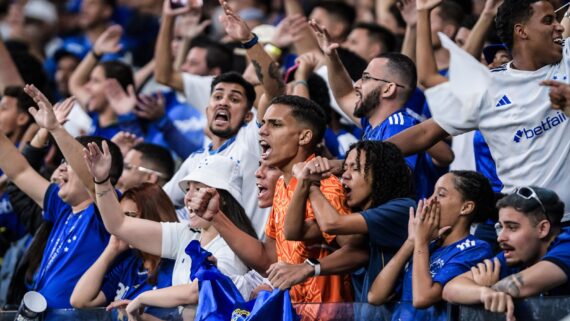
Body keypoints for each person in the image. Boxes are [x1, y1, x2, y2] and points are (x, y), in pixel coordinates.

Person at [387, 0, 570, 212]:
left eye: (557, 19)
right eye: (548, 20)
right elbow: (425, 132)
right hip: (521, 227)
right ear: (522, 31)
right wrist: (367, 155)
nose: (559, 26)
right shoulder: (486, 87)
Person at [191, 95, 368, 314]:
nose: (262, 131)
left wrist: (308, 269)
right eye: (263, 123)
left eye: (275, 124)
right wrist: (217, 216)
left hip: (328, 315)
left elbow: (357, 251)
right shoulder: (284, 186)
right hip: (291, 312)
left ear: (304, 136)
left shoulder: (325, 186)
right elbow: (270, 259)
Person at [83, 145, 257, 316]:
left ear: (224, 199)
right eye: (188, 189)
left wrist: (143, 298)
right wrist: (102, 181)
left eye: (198, 189)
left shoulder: (232, 248)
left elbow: (198, 291)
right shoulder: (186, 234)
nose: (188, 197)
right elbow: (118, 225)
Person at [283, 141, 415, 302]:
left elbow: (331, 224)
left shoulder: (402, 209)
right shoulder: (359, 215)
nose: (345, 175)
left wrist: (311, 184)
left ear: (381, 174)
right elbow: (293, 231)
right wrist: (303, 183)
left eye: (356, 168)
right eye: (345, 168)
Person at [368, 171, 495, 321]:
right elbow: (375, 297)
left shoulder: (475, 248)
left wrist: (421, 242)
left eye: (440, 194)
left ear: (466, 207)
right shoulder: (428, 245)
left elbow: (422, 298)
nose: (429, 201)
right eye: (432, 193)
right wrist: (411, 242)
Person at [443, 187, 570, 321]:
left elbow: (522, 286)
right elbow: (450, 289)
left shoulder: (567, 244)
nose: (500, 238)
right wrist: (483, 292)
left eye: (512, 227)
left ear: (542, 228)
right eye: (500, 227)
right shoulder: (515, 255)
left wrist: (488, 288)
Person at [70, 183, 177, 316]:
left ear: (152, 218)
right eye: (120, 218)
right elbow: (80, 301)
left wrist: (139, 316)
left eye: (130, 216)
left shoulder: (177, 267)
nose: (122, 225)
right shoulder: (130, 265)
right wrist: (112, 249)